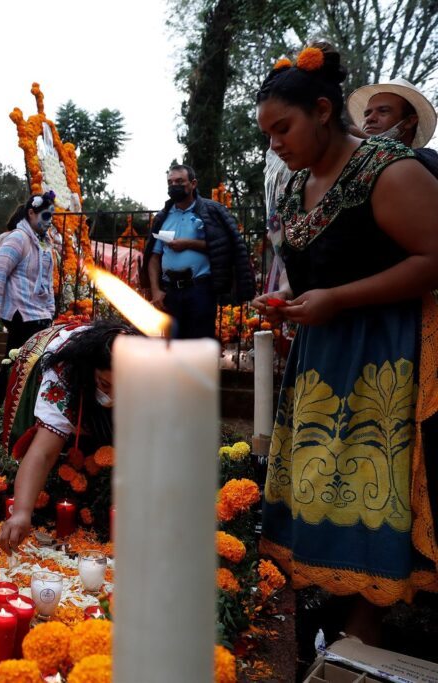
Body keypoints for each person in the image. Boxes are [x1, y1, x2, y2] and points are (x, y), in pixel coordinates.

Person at [252, 42, 438, 642]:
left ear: (324, 110)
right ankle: (325, 614)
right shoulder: (295, 185)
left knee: (367, 486)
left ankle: (363, 636)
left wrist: (340, 300)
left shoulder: (388, 168)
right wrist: (289, 305)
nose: (274, 143)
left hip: (383, 358)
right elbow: (313, 276)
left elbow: (434, 258)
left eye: (283, 128)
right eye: (268, 133)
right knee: (317, 480)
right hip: (322, 356)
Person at [0, 320, 136, 553]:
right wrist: (21, 512)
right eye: (105, 384)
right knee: (59, 436)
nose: (112, 393)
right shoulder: (63, 372)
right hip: (53, 360)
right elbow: (43, 452)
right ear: (92, 371)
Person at [142, 164, 256, 339]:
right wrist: (156, 291)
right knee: (172, 348)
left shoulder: (210, 211)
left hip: (200, 289)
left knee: (200, 347)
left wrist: (189, 243)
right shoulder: (163, 217)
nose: (174, 186)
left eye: (180, 181)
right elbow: (154, 257)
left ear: (193, 183)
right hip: (170, 292)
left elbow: (223, 247)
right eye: (170, 182)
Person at [0, 192, 57, 409]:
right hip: (21, 314)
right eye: (45, 215)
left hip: (40, 314)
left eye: (51, 216)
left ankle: (18, 412)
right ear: (31, 213)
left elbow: (47, 280)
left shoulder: (44, 243)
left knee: (29, 366)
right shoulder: (18, 238)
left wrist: (50, 311)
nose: (49, 221)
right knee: (14, 363)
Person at [347, 77, 438, 177]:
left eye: (383, 111)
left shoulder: (427, 159)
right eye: (367, 114)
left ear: (410, 121)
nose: (369, 119)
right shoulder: (354, 167)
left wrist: (366, 140)